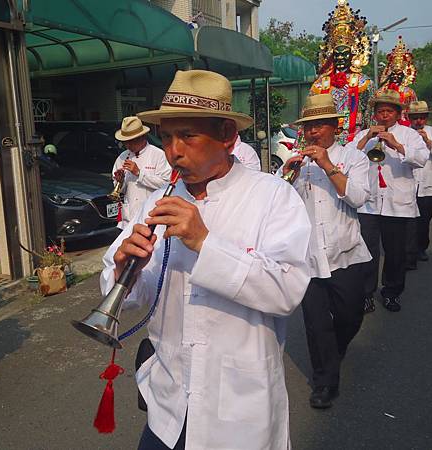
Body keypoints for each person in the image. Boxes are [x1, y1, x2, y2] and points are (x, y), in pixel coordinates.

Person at [102, 70, 312, 449]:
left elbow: (287, 291)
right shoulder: (156, 201)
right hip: (167, 405)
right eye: (166, 137)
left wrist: (203, 241)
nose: (173, 151)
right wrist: (123, 270)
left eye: (188, 136)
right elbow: (140, 295)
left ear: (228, 138)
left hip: (237, 409)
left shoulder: (273, 196)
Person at [282, 94, 371, 409]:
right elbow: (280, 207)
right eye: (308, 126)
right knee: (316, 325)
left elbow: (359, 198)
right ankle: (324, 383)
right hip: (308, 258)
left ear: (335, 126)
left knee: (350, 316)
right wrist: (286, 176)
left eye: (320, 125)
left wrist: (328, 165)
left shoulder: (353, 158)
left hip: (344, 253)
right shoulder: (298, 163)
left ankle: (334, 350)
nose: (312, 132)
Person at [346, 89, 429, 313]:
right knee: (367, 251)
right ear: (374, 114)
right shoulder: (364, 134)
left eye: (388, 111)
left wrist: (396, 145)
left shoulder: (409, 135)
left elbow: (422, 159)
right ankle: (366, 294)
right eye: (380, 111)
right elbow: (346, 158)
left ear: (397, 114)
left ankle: (392, 292)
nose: (384, 115)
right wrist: (366, 138)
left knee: (395, 252)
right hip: (369, 203)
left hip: (397, 204)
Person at [309, 0, 374, 144]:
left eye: (344, 54)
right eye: (336, 54)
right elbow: (310, 115)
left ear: (352, 54)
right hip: (325, 139)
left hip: (356, 138)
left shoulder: (364, 82)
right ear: (331, 55)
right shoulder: (319, 85)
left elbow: (370, 116)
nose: (340, 57)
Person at [405, 101, 432, 268]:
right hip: (409, 184)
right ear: (410, 118)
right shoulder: (405, 133)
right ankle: (409, 254)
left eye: (422, 118)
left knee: (424, 220)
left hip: (428, 185)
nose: (419, 121)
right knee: (410, 221)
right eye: (415, 118)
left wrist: (429, 142)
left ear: (426, 118)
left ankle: (421, 247)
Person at [112, 116, 171, 229]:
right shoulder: (122, 157)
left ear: (142, 137)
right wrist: (120, 182)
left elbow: (166, 185)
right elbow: (120, 191)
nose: (128, 146)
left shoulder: (158, 155)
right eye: (125, 142)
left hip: (152, 217)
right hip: (129, 218)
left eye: (131, 141)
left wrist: (139, 173)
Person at [377, 36, 418, 126]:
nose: (395, 77)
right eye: (393, 74)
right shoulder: (380, 92)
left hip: (404, 125)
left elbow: (414, 112)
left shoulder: (409, 92)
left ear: (404, 75)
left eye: (399, 75)